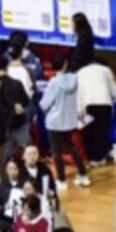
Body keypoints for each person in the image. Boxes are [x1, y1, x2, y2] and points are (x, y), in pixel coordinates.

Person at [39, 56, 89, 190]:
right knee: (72, 147)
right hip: (69, 120)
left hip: (54, 122)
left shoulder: (53, 83)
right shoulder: (74, 79)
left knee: (56, 152)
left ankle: (61, 180)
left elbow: (45, 104)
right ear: (65, 65)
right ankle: (83, 175)